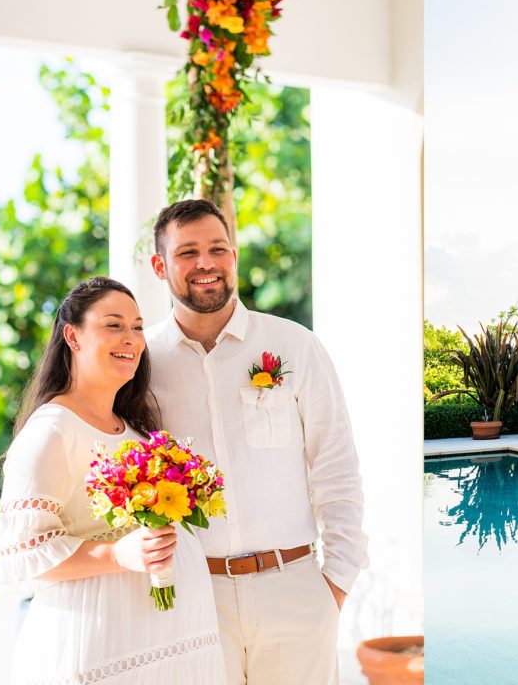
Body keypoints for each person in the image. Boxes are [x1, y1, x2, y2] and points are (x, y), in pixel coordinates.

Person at [145, 199, 368, 685]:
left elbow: (335, 466)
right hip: (195, 597)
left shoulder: (294, 345)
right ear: (160, 265)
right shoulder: (144, 364)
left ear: (234, 256)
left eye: (217, 249)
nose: (206, 263)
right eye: (187, 253)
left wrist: (335, 584)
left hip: (294, 590)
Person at [0, 277, 226, 684]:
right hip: (96, 646)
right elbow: (20, 554)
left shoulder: (134, 430)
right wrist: (118, 555)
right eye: (113, 325)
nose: (131, 338)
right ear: (73, 336)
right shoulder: (52, 430)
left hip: (162, 648)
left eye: (137, 326)